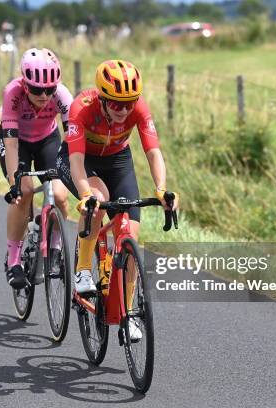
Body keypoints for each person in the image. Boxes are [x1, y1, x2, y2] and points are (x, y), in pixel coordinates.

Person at [55, 59, 179, 338]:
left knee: (130, 234)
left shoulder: (138, 109)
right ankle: (84, 269)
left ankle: (128, 313)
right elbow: (75, 160)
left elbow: (153, 152)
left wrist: (161, 189)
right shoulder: (82, 108)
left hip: (117, 160)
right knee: (98, 199)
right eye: (116, 104)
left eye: (130, 103)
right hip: (80, 159)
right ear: (102, 98)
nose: (124, 110)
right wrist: (85, 195)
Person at [0, 48, 73, 289]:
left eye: (49, 89)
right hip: (17, 141)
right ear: (25, 83)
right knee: (25, 193)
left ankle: (55, 249)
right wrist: (14, 185)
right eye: (37, 89)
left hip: (47, 139)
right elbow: (10, 144)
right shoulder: (13, 93)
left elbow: (73, 140)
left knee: (60, 195)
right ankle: (13, 261)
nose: (44, 95)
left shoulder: (62, 95)